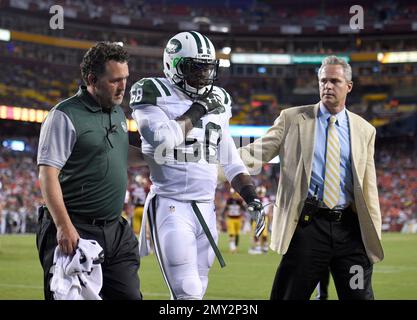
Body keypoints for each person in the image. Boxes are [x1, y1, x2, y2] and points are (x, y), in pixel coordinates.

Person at [129, 31, 265, 300]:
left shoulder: (220, 100)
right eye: (195, 68)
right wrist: (200, 107)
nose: (203, 77)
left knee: (198, 289)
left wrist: (251, 197)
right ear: (173, 65)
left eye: (207, 69)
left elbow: (229, 156)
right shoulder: (153, 92)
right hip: (171, 204)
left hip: (206, 206)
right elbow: (163, 139)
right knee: (187, 290)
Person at [238, 55, 384, 300]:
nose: (328, 86)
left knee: (360, 297)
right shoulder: (292, 119)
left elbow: (368, 187)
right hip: (307, 227)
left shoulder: (365, 130)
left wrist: (372, 233)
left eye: (335, 81)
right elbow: (254, 153)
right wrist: (207, 167)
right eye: (323, 80)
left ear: (348, 86)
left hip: (350, 231)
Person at [36, 42, 142, 300]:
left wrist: (161, 156)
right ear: (92, 79)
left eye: (125, 79)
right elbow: (47, 174)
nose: (123, 86)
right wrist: (63, 226)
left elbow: (117, 154)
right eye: (115, 80)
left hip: (115, 230)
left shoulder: (116, 112)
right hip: (75, 227)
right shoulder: (65, 115)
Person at [223, 188, 245, 253]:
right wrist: (222, 215)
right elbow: (226, 208)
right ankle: (232, 247)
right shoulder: (229, 200)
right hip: (231, 219)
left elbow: (243, 209)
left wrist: (241, 202)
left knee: (237, 234)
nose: (234, 195)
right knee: (232, 233)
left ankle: (235, 247)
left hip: (238, 219)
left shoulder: (239, 201)